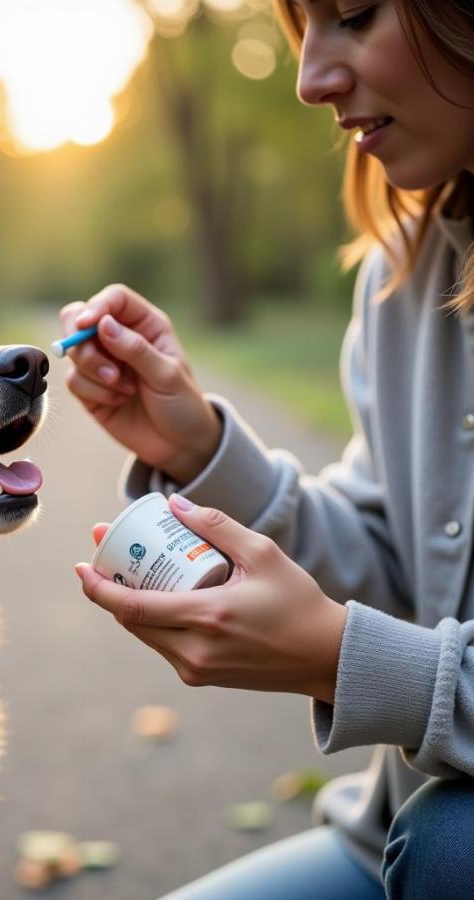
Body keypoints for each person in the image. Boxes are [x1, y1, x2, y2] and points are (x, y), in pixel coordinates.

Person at [60, 2, 474, 898]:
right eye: (302, 31)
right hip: (385, 845)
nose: (310, 78)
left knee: (456, 845)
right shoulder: (402, 276)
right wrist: (200, 445)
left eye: (355, 16)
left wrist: (343, 660)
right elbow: (403, 572)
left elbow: (374, 640)